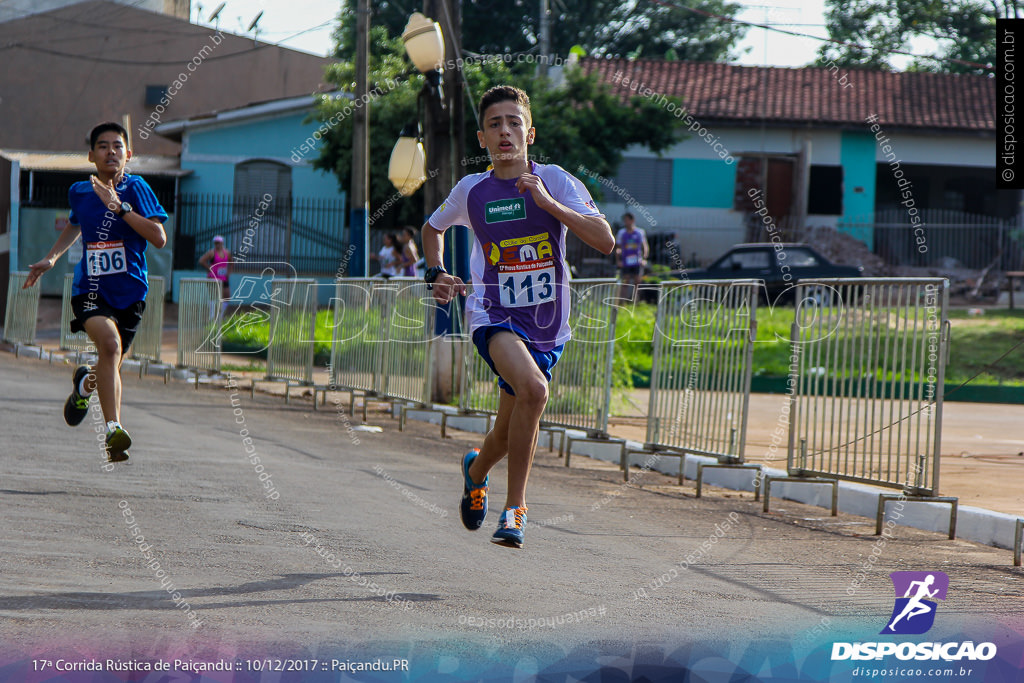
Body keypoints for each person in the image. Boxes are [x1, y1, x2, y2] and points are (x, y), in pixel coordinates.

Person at [422, 85, 613, 548]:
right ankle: (516, 510)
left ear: (530, 133)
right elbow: (432, 229)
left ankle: (476, 469)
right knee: (534, 389)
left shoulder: (558, 181)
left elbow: (605, 240)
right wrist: (437, 273)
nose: (504, 131)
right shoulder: (473, 191)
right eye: (494, 124)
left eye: (513, 122)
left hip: (548, 327)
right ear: (483, 139)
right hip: (492, 313)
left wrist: (549, 204)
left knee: (508, 431)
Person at [23, 122, 168, 462]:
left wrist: (121, 207)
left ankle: (84, 386)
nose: (110, 151)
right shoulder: (81, 192)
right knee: (111, 346)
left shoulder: (138, 188)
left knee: (109, 363)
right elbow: (76, 222)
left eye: (117, 146)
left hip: (131, 293)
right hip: (90, 289)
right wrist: (51, 258)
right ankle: (113, 431)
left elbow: (159, 238)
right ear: (91, 155)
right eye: (102, 146)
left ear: (128, 154)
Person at [615, 212, 649, 302]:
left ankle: (635, 302)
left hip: (637, 261)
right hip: (626, 261)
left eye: (627, 220)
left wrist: (644, 259)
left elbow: (645, 246)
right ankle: (623, 302)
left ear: (632, 220)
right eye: (624, 220)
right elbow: (617, 248)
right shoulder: (621, 233)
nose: (626, 222)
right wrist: (618, 260)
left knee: (637, 282)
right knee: (625, 282)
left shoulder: (640, 232)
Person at [198, 235, 231, 318]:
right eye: (216, 243)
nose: (218, 245)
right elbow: (201, 260)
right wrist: (209, 267)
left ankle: (221, 315)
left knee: (226, 296)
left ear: (222, 243)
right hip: (213, 277)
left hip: (223, 277)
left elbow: (231, 261)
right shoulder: (211, 252)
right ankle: (212, 316)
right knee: (213, 296)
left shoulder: (226, 252)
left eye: (219, 243)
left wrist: (229, 272)